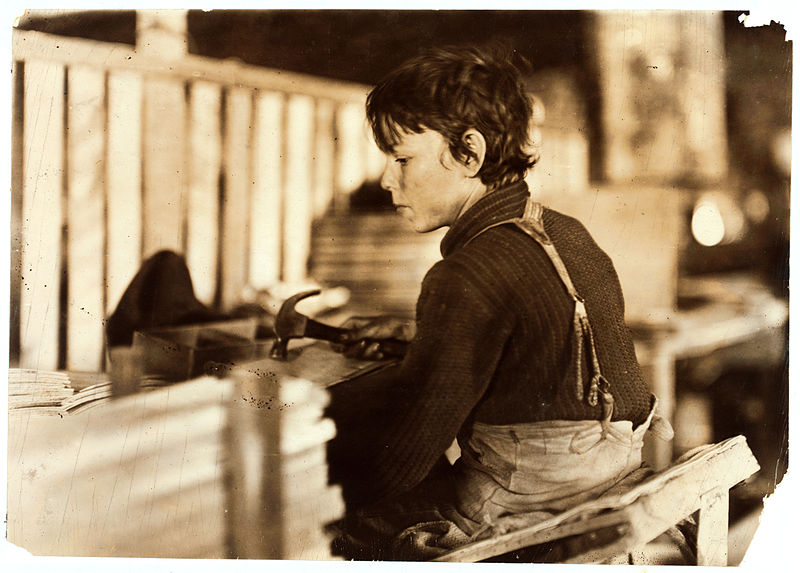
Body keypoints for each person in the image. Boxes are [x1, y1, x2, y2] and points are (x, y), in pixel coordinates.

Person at [327, 44, 674, 562]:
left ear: (470, 151)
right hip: (609, 477)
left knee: (339, 517)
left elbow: (407, 457)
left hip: (523, 508)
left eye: (401, 158)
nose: (386, 179)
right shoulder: (566, 231)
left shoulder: (465, 273)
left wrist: (317, 478)